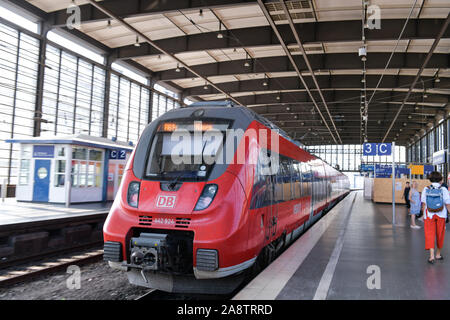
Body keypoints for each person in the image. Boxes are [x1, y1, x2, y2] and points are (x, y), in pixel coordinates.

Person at [421, 171, 450, 264]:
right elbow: (448, 204)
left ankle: (431, 256)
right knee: (440, 234)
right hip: (441, 214)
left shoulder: (426, 189)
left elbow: (424, 204)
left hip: (429, 215)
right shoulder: (444, 189)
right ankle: (438, 254)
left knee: (429, 234)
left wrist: (423, 215)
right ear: (440, 179)